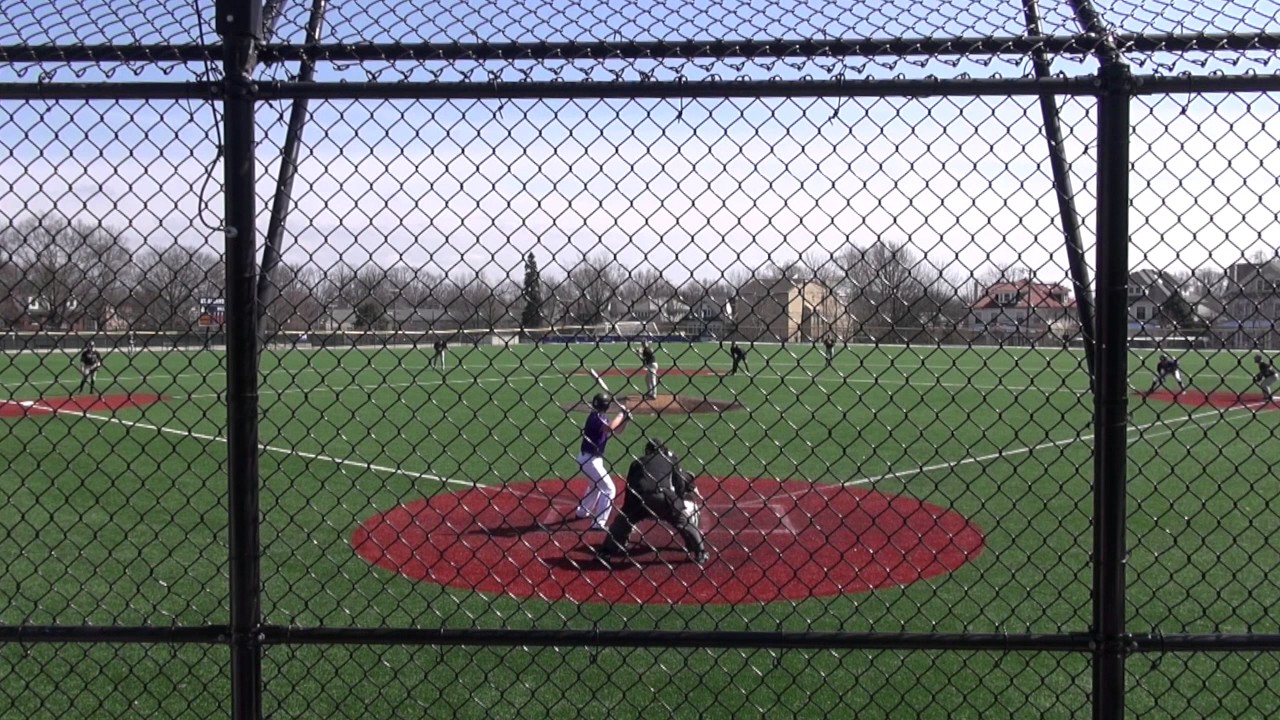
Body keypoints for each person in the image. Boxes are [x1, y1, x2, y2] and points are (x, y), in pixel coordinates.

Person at [595, 438, 708, 567]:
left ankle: (605, 552)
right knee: (684, 522)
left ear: (648, 450)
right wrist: (678, 502)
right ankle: (700, 552)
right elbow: (679, 483)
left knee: (621, 522)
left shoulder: (637, 462)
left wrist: (627, 511)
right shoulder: (670, 460)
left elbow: (630, 486)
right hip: (663, 497)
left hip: (640, 498)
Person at [574, 393, 631, 531]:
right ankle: (599, 522)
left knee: (595, 486)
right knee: (609, 489)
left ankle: (582, 511)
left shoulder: (598, 416)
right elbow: (610, 428)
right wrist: (621, 414)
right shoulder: (596, 418)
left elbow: (617, 431)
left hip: (590, 459)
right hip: (590, 460)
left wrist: (625, 419)